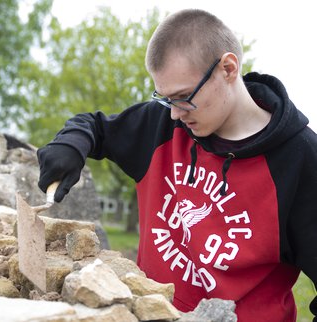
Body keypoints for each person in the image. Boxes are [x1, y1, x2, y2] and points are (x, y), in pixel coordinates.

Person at [37, 8, 317, 321]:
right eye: (165, 98)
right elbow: (95, 127)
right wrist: (70, 145)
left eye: (184, 96)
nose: (174, 113)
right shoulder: (163, 125)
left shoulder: (302, 160)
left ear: (228, 68)